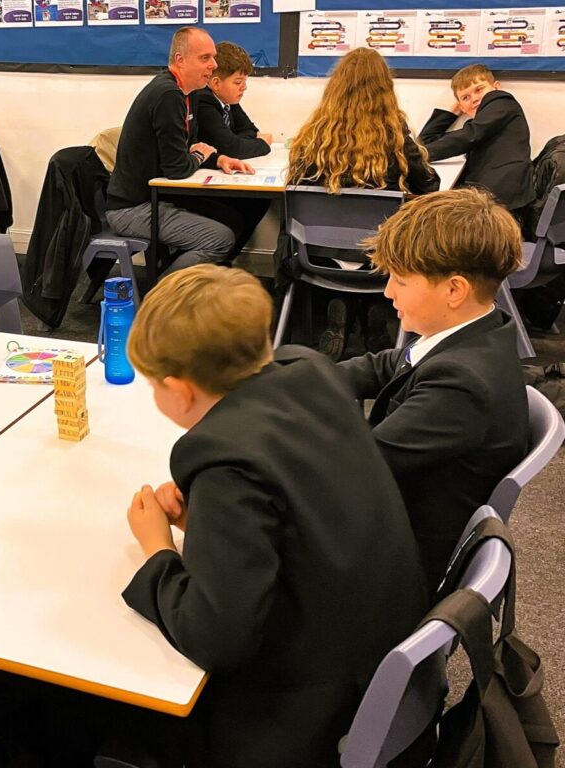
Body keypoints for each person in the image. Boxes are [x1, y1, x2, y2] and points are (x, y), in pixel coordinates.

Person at [122, 265, 427, 768]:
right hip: (386, 654)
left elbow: (217, 638)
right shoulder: (309, 370)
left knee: (94, 708)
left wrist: (157, 548)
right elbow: (295, 502)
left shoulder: (225, 457)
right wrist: (208, 523)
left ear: (179, 391)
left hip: (310, 711)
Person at [338, 187, 528, 596]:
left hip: (391, 568)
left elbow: (358, 469)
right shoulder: (475, 332)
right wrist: (288, 378)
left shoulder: (461, 384)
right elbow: (384, 365)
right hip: (392, 522)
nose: (388, 292)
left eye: (400, 280)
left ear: (454, 290)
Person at [284, 47, 439, 359]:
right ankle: (372, 318)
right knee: (384, 241)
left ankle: (343, 308)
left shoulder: (314, 137)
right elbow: (429, 187)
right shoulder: (395, 137)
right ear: (385, 89)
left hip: (317, 255)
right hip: (379, 258)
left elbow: (296, 183)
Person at [107, 27, 253, 276]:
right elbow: (177, 168)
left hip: (157, 196)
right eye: (205, 58)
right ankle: (163, 296)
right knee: (220, 239)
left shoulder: (189, 92)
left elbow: (190, 148)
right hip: (132, 208)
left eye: (213, 57)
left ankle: (199, 287)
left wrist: (219, 159)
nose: (214, 65)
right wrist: (198, 156)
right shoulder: (168, 94)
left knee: (235, 219)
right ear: (180, 60)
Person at [191, 40, 272, 259]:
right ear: (216, 83)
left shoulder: (228, 101)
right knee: (240, 213)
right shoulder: (204, 100)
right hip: (196, 185)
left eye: (245, 81)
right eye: (238, 82)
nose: (244, 87)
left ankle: (224, 260)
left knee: (260, 201)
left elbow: (249, 130)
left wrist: (240, 141)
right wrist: (262, 144)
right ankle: (217, 261)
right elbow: (233, 147)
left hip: (216, 174)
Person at [419, 63, 534, 218]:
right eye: (466, 97)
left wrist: (417, 155)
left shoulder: (503, 102)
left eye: (479, 90)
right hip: (485, 196)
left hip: (503, 199)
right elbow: (426, 140)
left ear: (496, 88)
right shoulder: (478, 123)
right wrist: (454, 112)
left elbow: (468, 136)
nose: (474, 99)